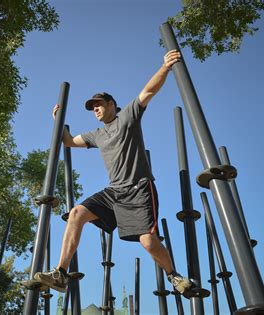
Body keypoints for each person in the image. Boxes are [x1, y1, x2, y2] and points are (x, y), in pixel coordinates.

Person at [34, 50, 191, 295]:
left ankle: (173, 275)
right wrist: (57, 119)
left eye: (99, 104)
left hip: (138, 188)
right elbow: (67, 141)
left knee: (148, 241)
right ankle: (61, 274)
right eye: (92, 107)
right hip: (114, 192)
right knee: (76, 213)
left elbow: (148, 91)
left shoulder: (127, 117)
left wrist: (166, 67)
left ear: (112, 105)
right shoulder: (96, 135)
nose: (95, 109)